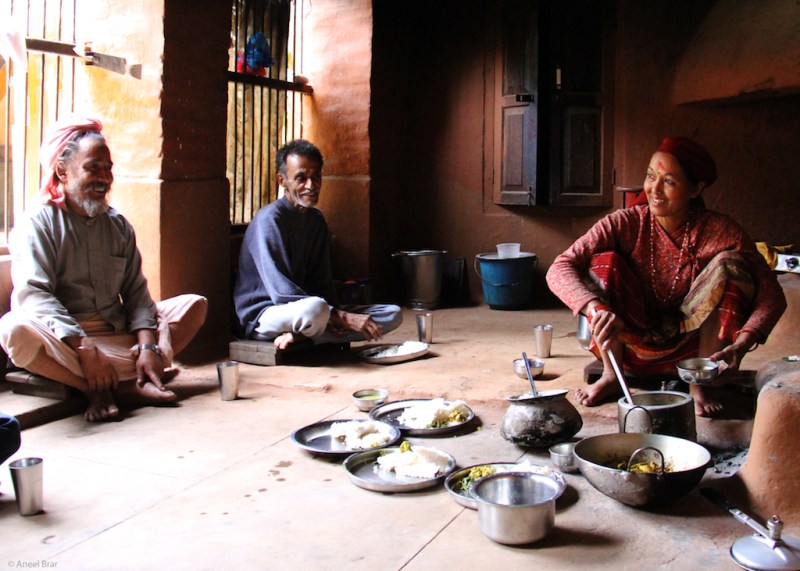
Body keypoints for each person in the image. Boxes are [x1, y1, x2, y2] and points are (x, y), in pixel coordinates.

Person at [546, 136, 786, 416]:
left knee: (730, 265)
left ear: (696, 189)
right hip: (630, 342)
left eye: (669, 181)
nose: (654, 189)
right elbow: (559, 267)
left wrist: (742, 345)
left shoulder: (721, 231)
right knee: (604, 261)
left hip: (693, 349)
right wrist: (594, 307)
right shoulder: (625, 223)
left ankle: (700, 385)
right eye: (651, 176)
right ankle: (612, 376)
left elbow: (772, 294)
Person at [0, 116, 208, 422]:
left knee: (194, 306)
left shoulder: (118, 224)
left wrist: (147, 346)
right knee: (13, 331)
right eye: (92, 168)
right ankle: (103, 388)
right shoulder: (37, 223)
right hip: (67, 341)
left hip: (116, 335)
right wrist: (84, 347)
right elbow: (35, 296)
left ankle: (128, 372)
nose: (103, 178)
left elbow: (137, 294)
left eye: (107, 169)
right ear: (62, 171)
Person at [234, 139, 402, 349]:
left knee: (392, 314)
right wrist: (339, 316)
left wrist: (335, 311)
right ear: (282, 180)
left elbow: (321, 280)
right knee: (316, 309)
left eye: (315, 177)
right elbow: (281, 292)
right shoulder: (269, 220)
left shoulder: (316, 220)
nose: (310, 186)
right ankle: (314, 331)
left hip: (312, 313)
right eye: (301, 178)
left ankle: (303, 337)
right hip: (268, 314)